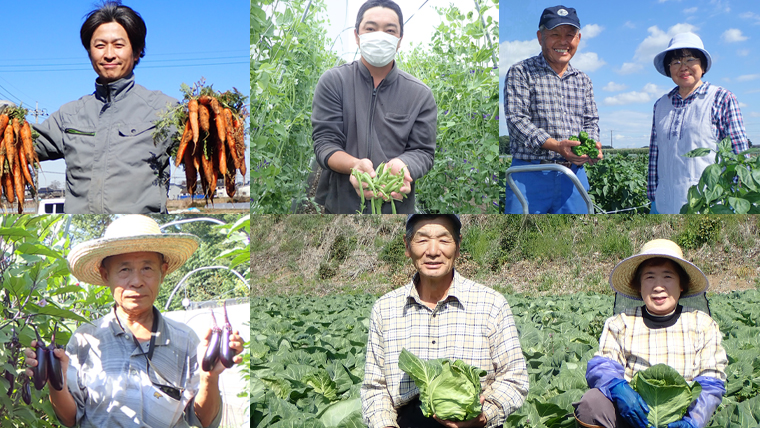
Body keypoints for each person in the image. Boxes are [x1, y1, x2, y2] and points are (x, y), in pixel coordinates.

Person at [23, 215, 245, 428]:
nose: (136, 281)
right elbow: (70, 418)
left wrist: (209, 377)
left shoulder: (185, 340)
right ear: (105, 274)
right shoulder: (85, 339)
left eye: (147, 268)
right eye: (124, 269)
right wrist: (56, 380)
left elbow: (204, 421)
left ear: (163, 272)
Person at [361, 215, 529, 428]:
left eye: (443, 240)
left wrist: (484, 416)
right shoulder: (385, 309)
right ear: (407, 246)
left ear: (457, 247)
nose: (432, 251)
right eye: (422, 240)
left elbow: (514, 379)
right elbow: (375, 388)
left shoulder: (491, 304)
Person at [32, 2, 179, 214]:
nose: (108, 54)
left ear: (137, 52)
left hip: (141, 231)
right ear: (90, 52)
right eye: (99, 46)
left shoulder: (165, 110)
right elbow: (22, 144)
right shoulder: (69, 115)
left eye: (118, 45)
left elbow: (207, 151)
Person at [574, 239, 727, 428]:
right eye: (650, 277)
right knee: (592, 403)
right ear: (639, 286)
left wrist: (693, 421)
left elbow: (711, 381)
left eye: (668, 277)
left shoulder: (702, 324)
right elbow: (604, 365)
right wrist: (618, 387)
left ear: (681, 285)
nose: (658, 286)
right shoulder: (620, 323)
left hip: (681, 418)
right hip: (630, 417)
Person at [311, 0, 437, 214]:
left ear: (399, 40)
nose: (380, 35)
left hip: (396, 206)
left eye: (390, 30)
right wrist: (355, 165)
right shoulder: (334, 82)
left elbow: (423, 151)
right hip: (341, 206)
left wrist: (403, 165)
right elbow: (325, 143)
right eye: (370, 28)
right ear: (357, 36)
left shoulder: (419, 94)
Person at [503, 5, 602, 214]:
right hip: (530, 173)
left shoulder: (583, 80)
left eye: (570, 35)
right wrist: (556, 146)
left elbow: (591, 122)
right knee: (523, 232)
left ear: (579, 38)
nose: (563, 42)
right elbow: (517, 120)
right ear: (540, 37)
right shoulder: (521, 72)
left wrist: (590, 146)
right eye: (555, 34)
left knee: (578, 231)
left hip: (573, 174)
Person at [647, 33, 749, 214]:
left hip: (710, 205)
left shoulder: (721, 98)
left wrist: (734, 199)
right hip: (664, 204)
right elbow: (655, 154)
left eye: (690, 59)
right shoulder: (661, 105)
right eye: (676, 62)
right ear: (669, 68)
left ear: (702, 65)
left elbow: (740, 154)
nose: (683, 67)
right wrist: (653, 196)